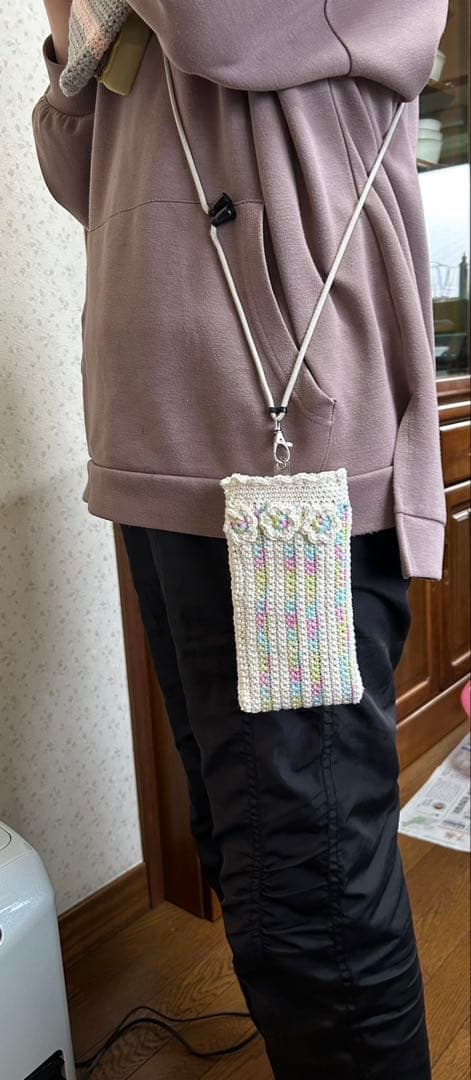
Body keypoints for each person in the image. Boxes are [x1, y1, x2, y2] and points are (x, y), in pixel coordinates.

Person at [33, 3, 449, 1077]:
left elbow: (218, 26)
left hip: (282, 455)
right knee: (252, 855)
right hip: (159, 442)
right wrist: (75, 41)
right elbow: (79, 173)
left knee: (313, 889)